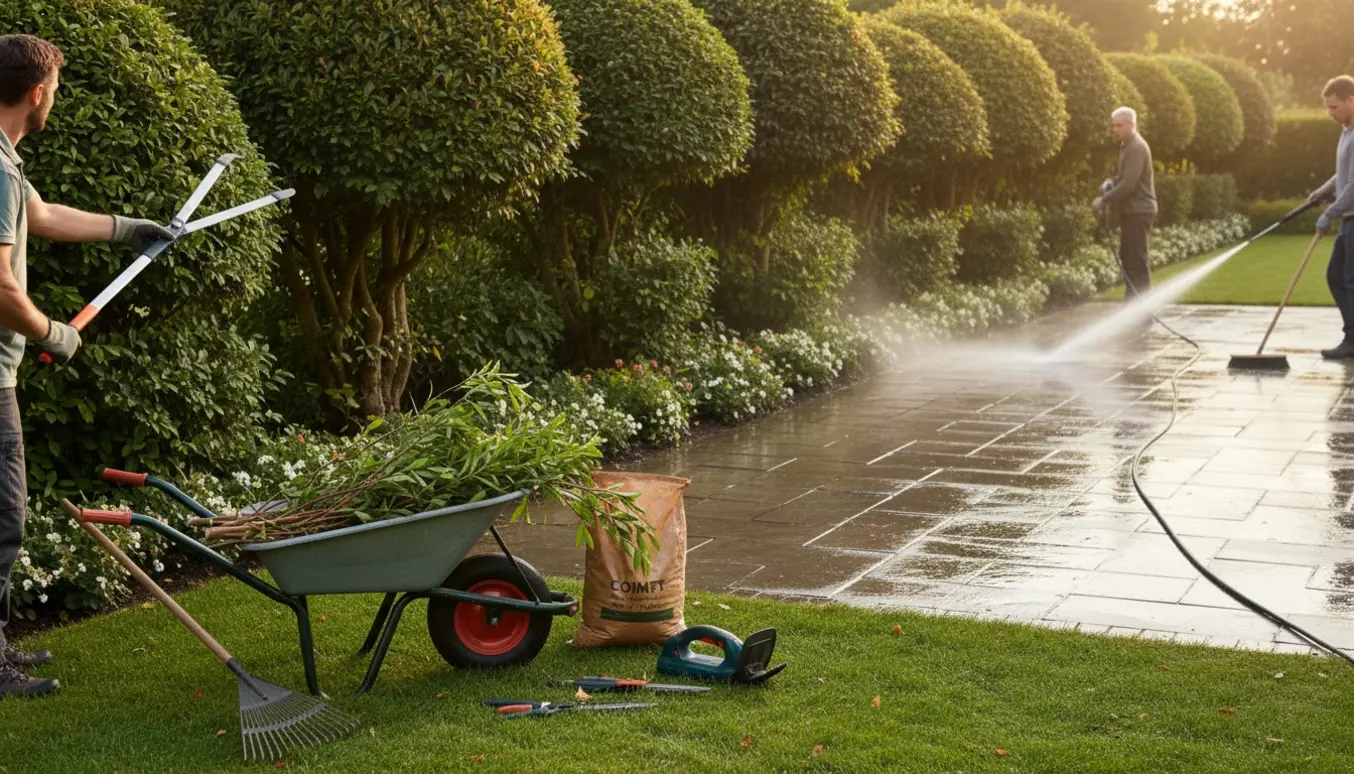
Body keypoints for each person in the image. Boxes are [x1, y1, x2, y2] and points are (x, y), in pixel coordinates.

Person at [0, 34, 173, 699]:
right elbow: (2, 288)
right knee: (3, 520)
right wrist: (53, 332)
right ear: (37, 92)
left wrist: (128, 227)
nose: (55, 102)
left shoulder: (5, 163)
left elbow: (40, 215)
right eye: (56, 91)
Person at [1094, 106, 1158, 300]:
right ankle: (1133, 305)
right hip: (1131, 212)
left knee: (1137, 262)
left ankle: (1140, 312)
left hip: (1139, 211)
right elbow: (1123, 177)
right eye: (1114, 126)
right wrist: (1110, 183)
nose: (1115, 130)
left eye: (1119, 125)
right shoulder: (1127, 145)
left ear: (1132, 124)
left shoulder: (1137, 147)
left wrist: (1103, 200)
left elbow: (1129, 184)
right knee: (1128, 259)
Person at [1310, 75, 1354, 359]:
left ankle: (1352, 341)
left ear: (1351, 100)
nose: (1330, 114)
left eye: (1334, 107)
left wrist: (1328, 213)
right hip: (1348, 220)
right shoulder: (1347, 130)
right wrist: (1324, 191)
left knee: (1349, 280)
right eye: (1327, 108)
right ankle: (1352, 336)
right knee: (1336, 276)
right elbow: (1344, 174)